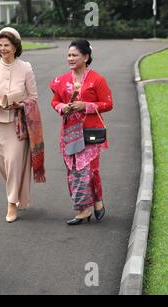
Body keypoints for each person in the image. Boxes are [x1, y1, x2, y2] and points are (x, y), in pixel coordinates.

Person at [0, 27, 46, 223]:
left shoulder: (25, 67)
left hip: (18, 124)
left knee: (13, 163)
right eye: (0, 45)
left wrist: (20, 103)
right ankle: (16, 192)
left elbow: (33, 97)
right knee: (2, 164)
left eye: (6, 45)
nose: (2, 48)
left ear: (15, 46)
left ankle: (11, 203)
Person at [49, 39, 113, 225]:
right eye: (68, 55)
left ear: (86, 57)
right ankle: (83, 209)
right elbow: (55, 101)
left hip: (91, 132)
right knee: (74, 171)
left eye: (74, 55)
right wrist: (62, 107)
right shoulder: (61, 80)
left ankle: (98, 200)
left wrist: (86, 106)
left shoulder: (97, 80)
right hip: (69, 133)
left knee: (90, 171)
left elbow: (108, 104)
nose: (70, 58)